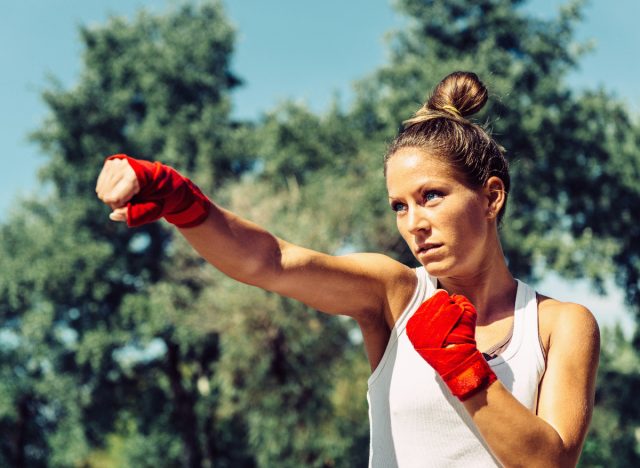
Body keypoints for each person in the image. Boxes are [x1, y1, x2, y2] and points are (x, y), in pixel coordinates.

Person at [96, 71, 600, 467]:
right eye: (399, 206)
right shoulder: (395, 295)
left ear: (490, 197)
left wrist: (467, 372)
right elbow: (270, 262)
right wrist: (183, 201)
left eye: (431, 196)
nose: (415, 223)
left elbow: (548, 463)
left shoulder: (560, 325)